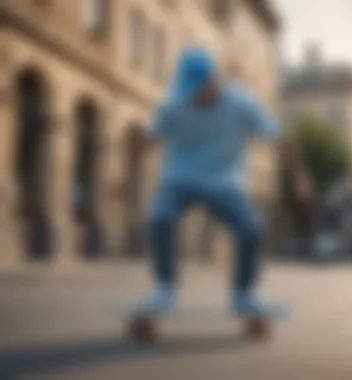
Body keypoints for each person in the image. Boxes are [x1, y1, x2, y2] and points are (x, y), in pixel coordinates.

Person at [121, 46, 313, 316]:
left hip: (224, 182)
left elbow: (282, 141)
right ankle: (164, 289)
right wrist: (128, 178)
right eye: (189, 91)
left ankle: (244, 294)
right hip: (179, 176)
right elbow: (147, 141)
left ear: (214, 81)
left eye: (199, 90)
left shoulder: (242, 105)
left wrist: (300, 176)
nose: (194, 98)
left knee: (251, 229)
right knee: (160, 218)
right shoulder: (174, 104)